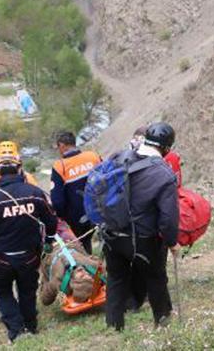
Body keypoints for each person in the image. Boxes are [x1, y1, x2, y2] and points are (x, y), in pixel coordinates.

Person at [0, 147, 57, 342]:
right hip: (30, 256)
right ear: (20, 169)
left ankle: (16, 331)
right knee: (27, 291)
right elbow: (52, 220)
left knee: (2, 293)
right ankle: (31, 326)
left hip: (1, 259)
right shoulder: (34, 193)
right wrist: (49, 241)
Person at [103, 122, 180, 331]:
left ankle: (113, 327)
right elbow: (168, 218)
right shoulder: (164, 174)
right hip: (144, 240)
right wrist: (172, 242)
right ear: (166, 148)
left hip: (111, 233)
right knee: (155, 279)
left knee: (116, 278)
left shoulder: (119, 157)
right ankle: (162, 323)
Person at [50, 132, 101, 254]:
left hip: (77, 219)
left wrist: (62, 218)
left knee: (85, 251)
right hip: (101, 212)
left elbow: (57, 201)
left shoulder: (60, 166)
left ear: (62, 145)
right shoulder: (93, 157)